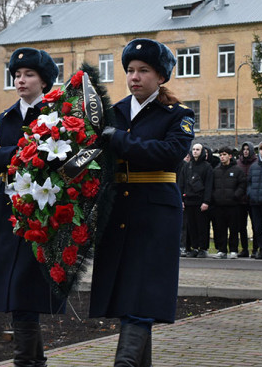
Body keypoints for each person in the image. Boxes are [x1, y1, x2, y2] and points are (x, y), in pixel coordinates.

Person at [89, 38, 195, 366]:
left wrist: (119, 139)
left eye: (143, 70)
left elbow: (169, 154)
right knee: (128, 297)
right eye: (130, 70)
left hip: (154, 215)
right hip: (118, 210)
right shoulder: (113, 112)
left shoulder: (177, 115)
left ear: (161, 76)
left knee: (141, 294)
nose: (134, 76)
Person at [0, 46, 64, 365]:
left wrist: (24, 157)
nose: (21, 80)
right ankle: (30, 362)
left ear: (44, 81)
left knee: (27, 291)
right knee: (15, 293)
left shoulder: (59, 116)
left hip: (45, 210)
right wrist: (26, 153)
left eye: (29, 75)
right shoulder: (4, 119)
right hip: (9, 211)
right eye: (16, 75)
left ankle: (27, 362)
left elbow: (67, 158)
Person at [211, 147, 247, 259]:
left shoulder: (237, 170)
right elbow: (211, 186)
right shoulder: (215, 171)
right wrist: (214, 197)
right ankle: (222, 250)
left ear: (230, 156)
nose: (222, 157)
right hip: (219, 205)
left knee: (234, 229)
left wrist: (235, 195)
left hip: (233, 205)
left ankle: (233, 250)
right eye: (220, 155)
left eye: (224, 154)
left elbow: (242, 185)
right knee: (220, 229)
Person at [178, 143, 213, 258]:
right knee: (191, 226)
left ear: (202, 151)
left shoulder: (207, 167)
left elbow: (209, 185)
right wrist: (181, 200)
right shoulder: (187, 166)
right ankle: (195, 247)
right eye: (193, 149)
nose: (195, 151)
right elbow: (181, 184)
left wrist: (206, 201)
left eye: (198, 149)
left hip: (201, 201)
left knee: (202, 226)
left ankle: (203, 248)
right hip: (189, 201)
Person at [236, 142, 257, 258]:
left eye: (247, 149)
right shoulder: (238, 163)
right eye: (244, 149)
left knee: (256, 225)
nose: (245, 151)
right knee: (241, 226)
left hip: (253, 200)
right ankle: (244, 248)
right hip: (240, 200)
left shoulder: (256, 162)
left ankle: (255, 248)